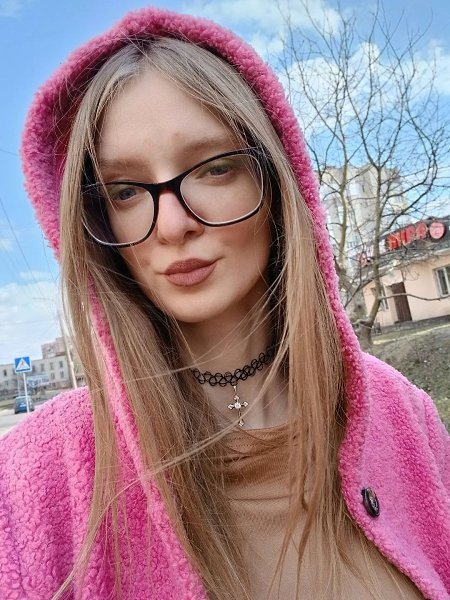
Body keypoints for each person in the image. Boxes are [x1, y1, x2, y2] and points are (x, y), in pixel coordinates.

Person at [0, 6, 449, 600]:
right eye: (126, 190)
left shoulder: (405, 417)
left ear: (277, 183)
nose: (172, 225)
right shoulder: (31, 478)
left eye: (213, 169)